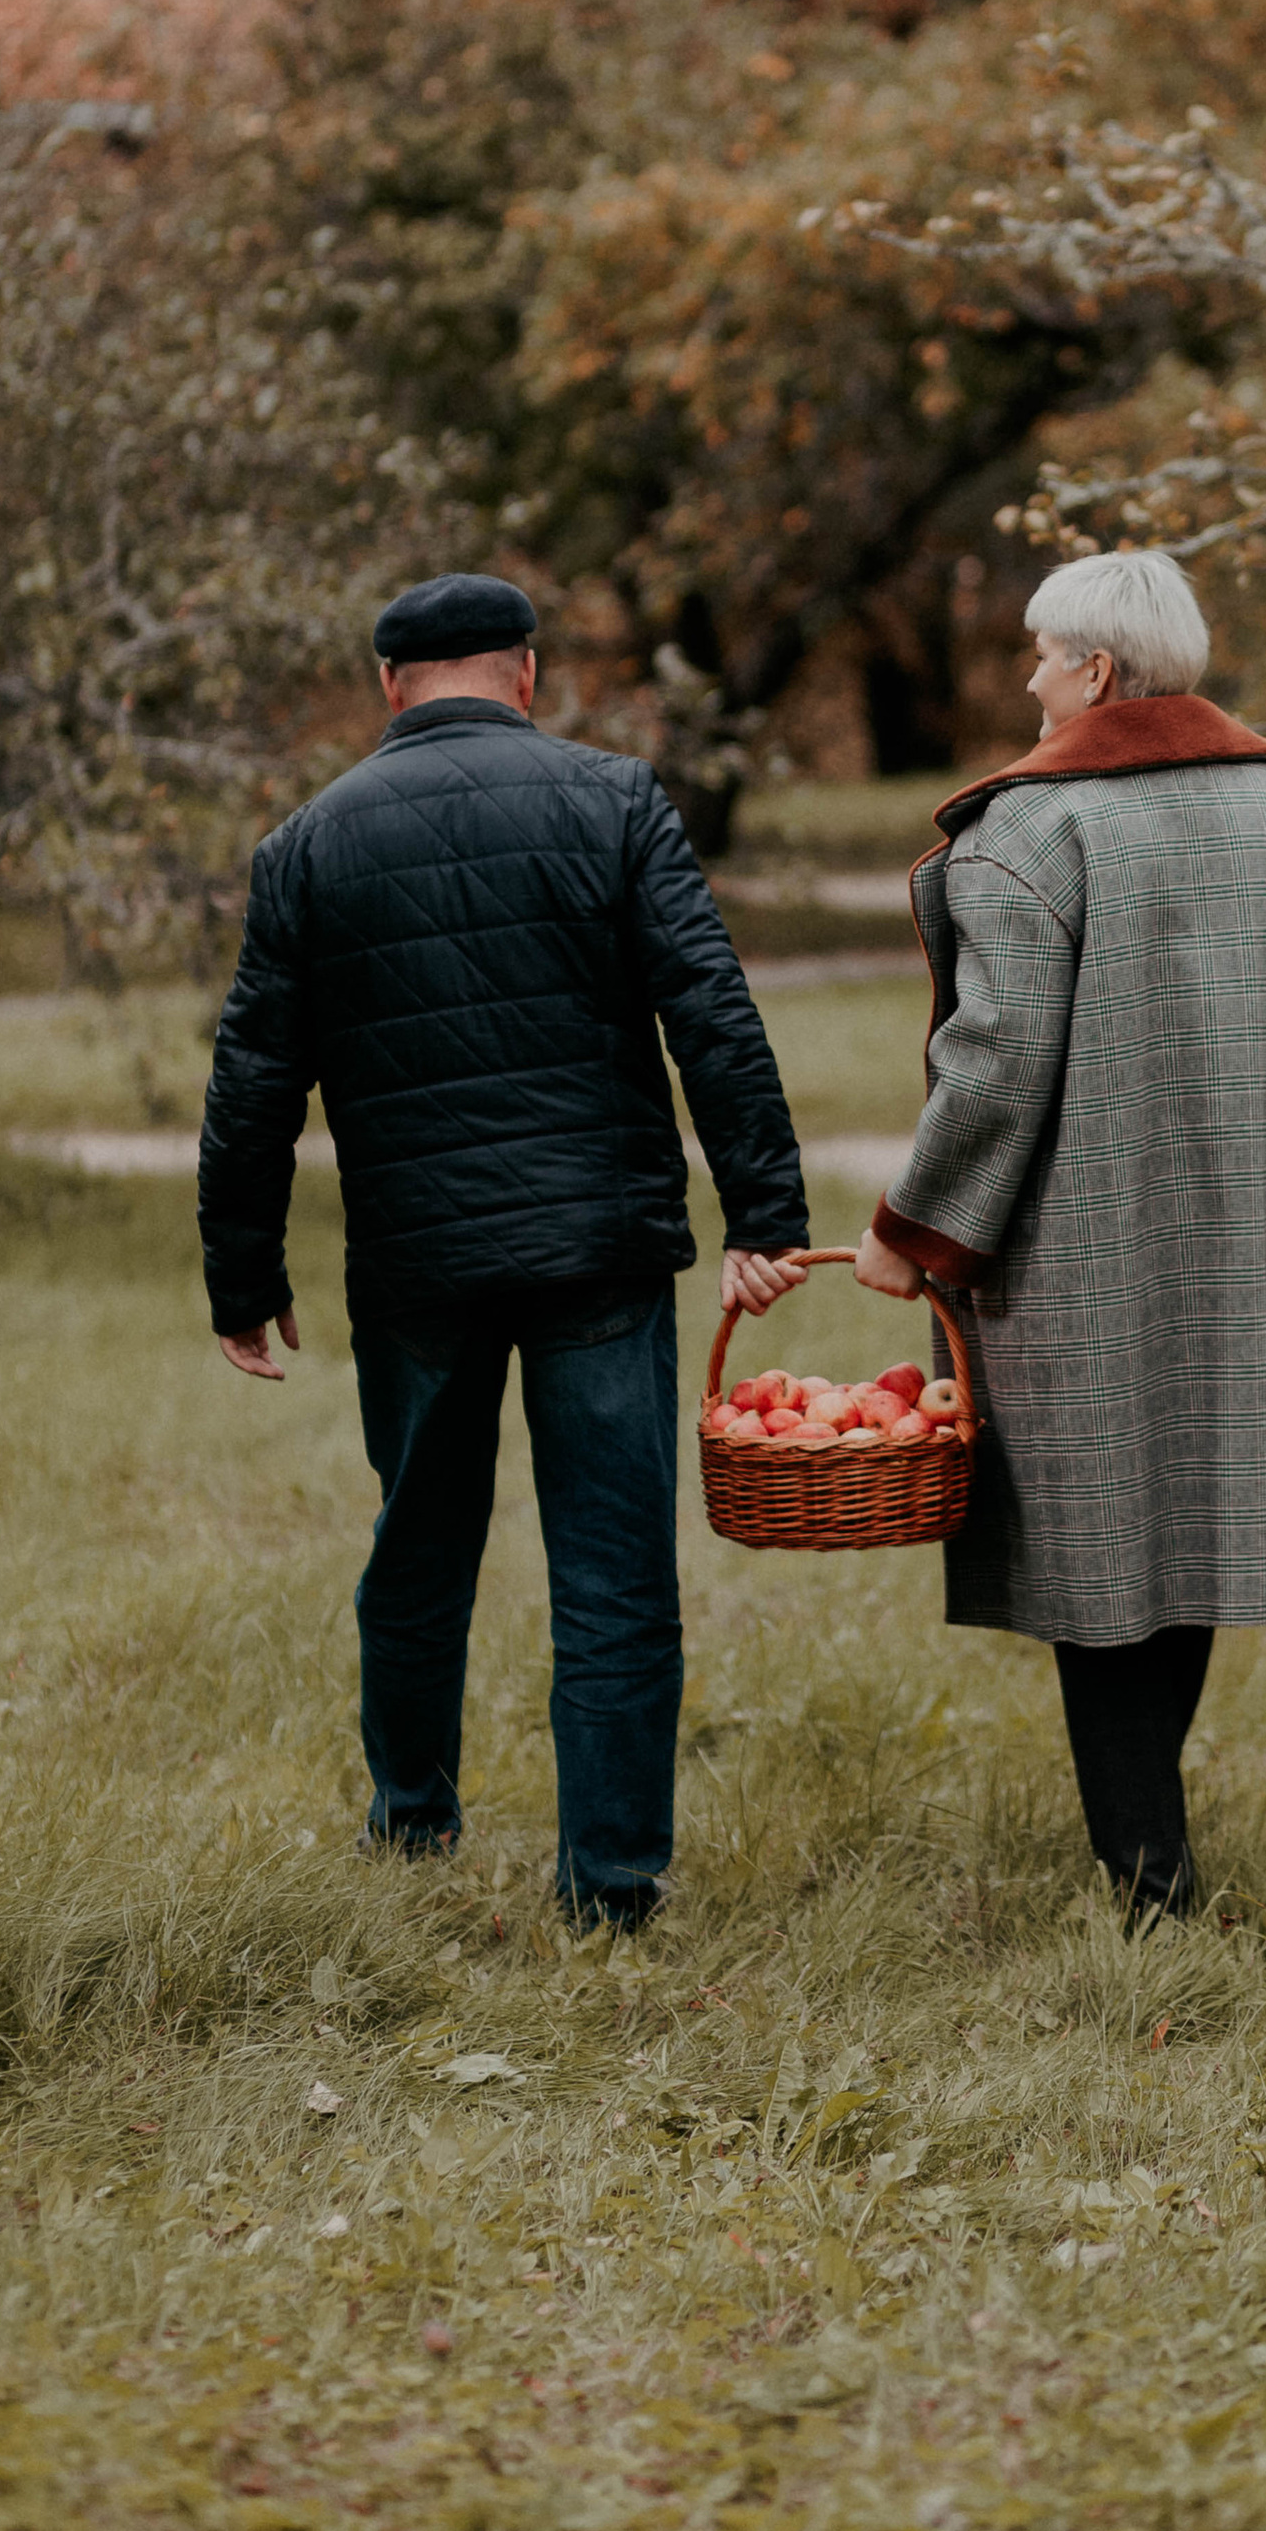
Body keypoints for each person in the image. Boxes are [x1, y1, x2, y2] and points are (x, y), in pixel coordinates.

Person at [196, 572, 808, 1911]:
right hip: (598, 1249)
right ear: (526, 673)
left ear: (387, 687)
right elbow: (711, 1011)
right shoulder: (617, 801)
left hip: (417, 1264)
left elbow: (254, 1079)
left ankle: (413, 1829)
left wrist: (244, 1276)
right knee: (613, 1570)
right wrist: (766, 1215)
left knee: (419, 1547)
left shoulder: (307, 843)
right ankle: (612, 1885)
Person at [852, 549, 1266, 1916]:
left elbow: (992, 1065)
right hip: (1258, 1236)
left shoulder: (1035, 834)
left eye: (1042, 655)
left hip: (1080, 1247)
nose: (1030, 678)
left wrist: (912, 1230)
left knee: (1097, 1540)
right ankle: (1151, 1849)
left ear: (1099, 673)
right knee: (1191, 1525)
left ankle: (1148, 1878)